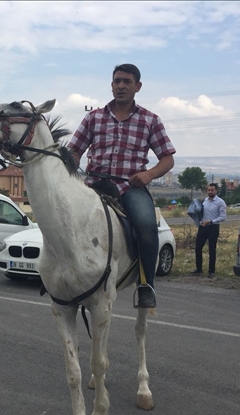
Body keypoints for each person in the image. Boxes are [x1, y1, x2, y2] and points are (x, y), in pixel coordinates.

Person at [67, 63, 176, 308]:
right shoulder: (93, 117)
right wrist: (71, 165)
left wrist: (148, 175)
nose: (121, 86)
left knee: (147, 227)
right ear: (111, 85)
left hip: (130, 188)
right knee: (62, 218)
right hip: (93, 185)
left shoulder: (150, 120)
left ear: (137, 86)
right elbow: (74, 151)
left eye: (127, 81)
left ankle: (146, 285)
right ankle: (59, 275)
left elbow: (168, 159)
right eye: (117, 81)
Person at [191, 183, 227, 278]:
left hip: (213, 227)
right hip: (203, 227)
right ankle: (199, 268)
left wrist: (211, 221)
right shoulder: (205, 201)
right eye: (209, 190)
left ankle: (211, 271)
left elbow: (223, 217)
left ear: (216, 191)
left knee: (212, 249)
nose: (210, 192)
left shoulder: (220, 202)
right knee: (198, 247)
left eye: (212, 190)